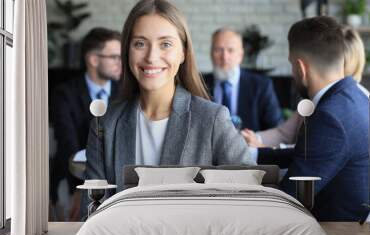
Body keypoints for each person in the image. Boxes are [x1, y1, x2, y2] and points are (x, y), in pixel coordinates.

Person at [85, 0, 254, 194]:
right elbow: (91, 211)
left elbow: (252, 193)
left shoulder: (212, 119)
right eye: (140, 43)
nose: (151, 57)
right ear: (126, 52)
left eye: (165, 44)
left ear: (183, 53)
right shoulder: (105, 125)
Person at [280, 16, 370, 221]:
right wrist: (255, 155)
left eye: (291, 65)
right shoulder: (356, 99)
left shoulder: (330, 117)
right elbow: (311, 155)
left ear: (301, 68)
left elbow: (289, 198)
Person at [241, 25, 368, 149]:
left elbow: (311, 154)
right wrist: (251, 138)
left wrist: (261, 148)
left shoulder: (345, 104)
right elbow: (284, 133)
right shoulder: (315, 95)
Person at [50, 27, 122, 219]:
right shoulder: (65, 94)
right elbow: (68, 145)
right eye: (114, 57)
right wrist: (82, 188)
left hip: (117, 176)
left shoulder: (126, 93)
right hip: (73, 175)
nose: (120, 63)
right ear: (93, 59)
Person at [203, 28, 283, 131]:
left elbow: (277, 128)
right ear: (211, 54)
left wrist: (257, 140)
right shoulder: (199, 83)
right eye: (218, 50)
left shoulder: (261, 85)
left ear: (240, 55)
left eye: (230, 50)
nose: (224, 57)